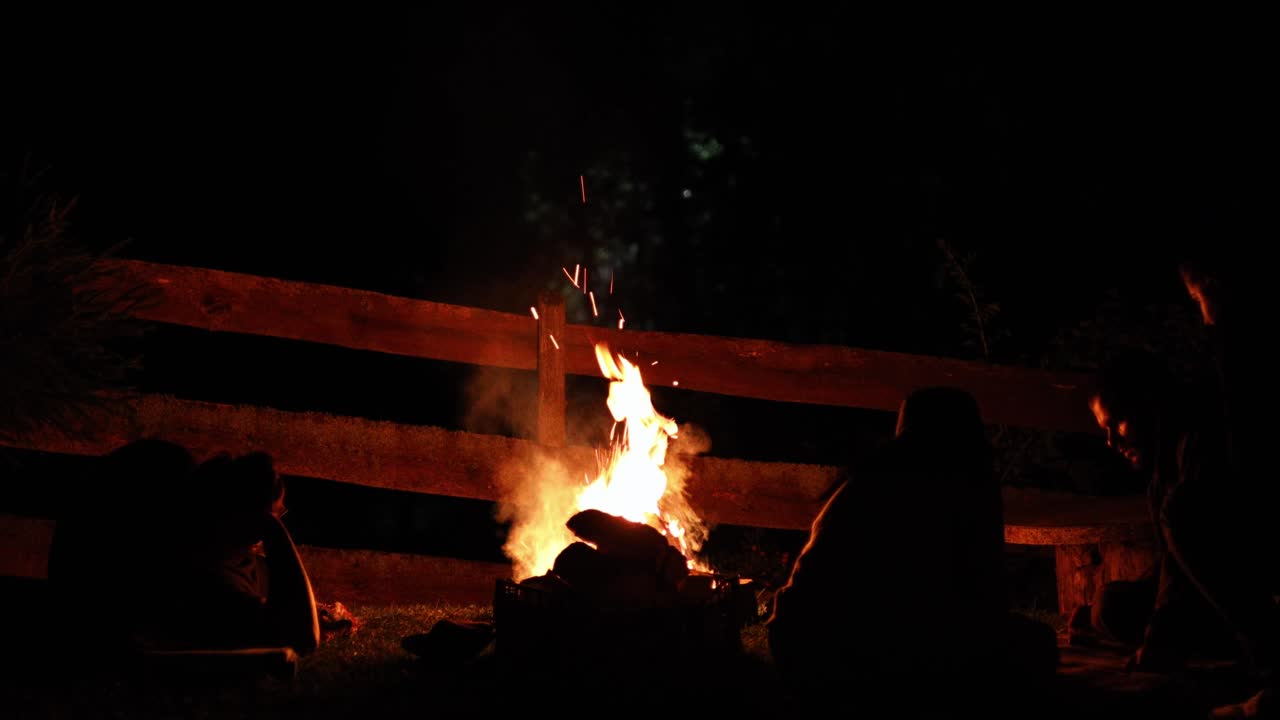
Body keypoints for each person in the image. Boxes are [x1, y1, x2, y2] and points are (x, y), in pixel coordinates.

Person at [766, 386, 1057, 716]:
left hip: (801, 645)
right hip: (860, 651)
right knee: (1035, 647)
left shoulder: (867, 478)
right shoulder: (966, 486)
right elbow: (981, 597)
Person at [1085, 349, 1278, 715]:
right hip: (1210, 600)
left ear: (1148, 405)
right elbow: (1172, 564)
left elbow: (1198, 545)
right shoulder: (1161, 472)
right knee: (1110, 607)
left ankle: (1268, 651)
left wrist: (1160, 638)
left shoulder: (1202, 438)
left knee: (1182, 511)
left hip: (1253, 579)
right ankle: (1222, 644)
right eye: (1104, 430)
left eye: (1118, 422)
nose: (1112, 441)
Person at [139, 451, 320, 656]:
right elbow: (304, 638)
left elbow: (292, 602)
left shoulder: (249, 565)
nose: (280, 516)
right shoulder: (207, 583)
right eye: (277, 513)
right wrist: (275, 531)